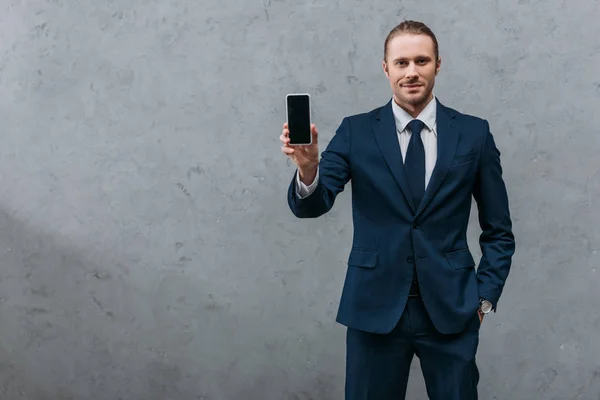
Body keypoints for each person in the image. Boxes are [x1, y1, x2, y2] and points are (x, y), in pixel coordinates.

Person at [280, 20, 515, 400]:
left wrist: (483, 298)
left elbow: (499, 229)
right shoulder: (356, 131)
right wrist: (308, 167)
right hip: (373, 309)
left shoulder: (474, 133)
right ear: (385, 67)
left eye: (421, 61)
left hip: (452, 309)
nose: (411, 72)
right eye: (401, 62)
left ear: (438, 64)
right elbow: (313, 205)